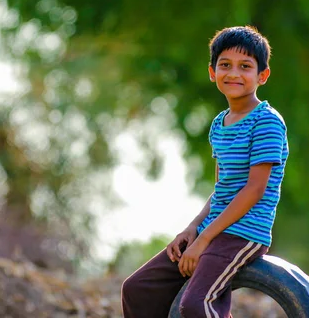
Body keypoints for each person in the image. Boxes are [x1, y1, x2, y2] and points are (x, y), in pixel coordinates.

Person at [121, 26, 289, 318]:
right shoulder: (219, 124)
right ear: (212, 72)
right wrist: (192, 229)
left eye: (245, 67)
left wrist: (204, 240)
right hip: (214, 228)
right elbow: (221, 190)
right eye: (225, 65)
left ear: (262, 76)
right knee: (138, 288)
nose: (233, 73)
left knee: (196, 305)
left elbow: (254, 189)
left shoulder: (267, 122)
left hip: (244, 232)